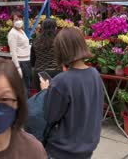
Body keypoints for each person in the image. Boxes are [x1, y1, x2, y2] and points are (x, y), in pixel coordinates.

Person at [42, 27, 103, 159]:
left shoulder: (61, 82)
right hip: (87, 148)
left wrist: (46, 92)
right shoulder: (95, 74)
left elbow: (50, 116)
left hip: (62, 150)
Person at [30, 18, 61, 91]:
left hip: (39, 74)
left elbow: (32, 60)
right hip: (56, 72)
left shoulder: (36, 41)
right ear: (55, 28)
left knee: (41, 97)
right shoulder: (58, 40)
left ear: (42, 28)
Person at [7, 11, 32, 96]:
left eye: (20, 19)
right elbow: (13, 52)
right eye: (16, 19)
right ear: (12, 21)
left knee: (27, 86)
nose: (18, 21)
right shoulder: (12, 33)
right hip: (21, 62)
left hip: (27, 60)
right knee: (23, 88)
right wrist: (17, 67)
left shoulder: (21, 31)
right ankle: (25, 106)